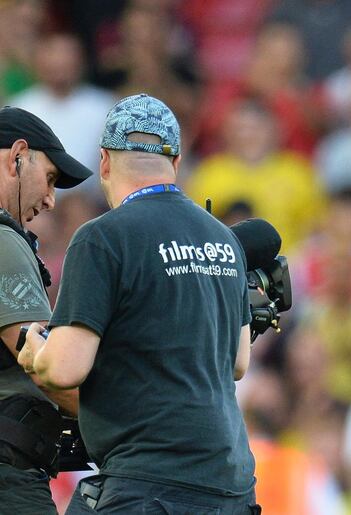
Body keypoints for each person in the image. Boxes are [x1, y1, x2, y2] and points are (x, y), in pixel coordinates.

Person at [16, 94, 260, 514]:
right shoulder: (224, 240)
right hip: (231, 481)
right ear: (176, 162)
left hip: (151, 482)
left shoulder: (103, 238)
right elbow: (238, 362)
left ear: (105, 162)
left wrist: (35, 348)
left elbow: (63, 368)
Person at [0, 106, 92, 513]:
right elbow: (47, 370)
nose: (52, 200)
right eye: (50, 179)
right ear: (17, 155)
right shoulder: (3, 241)